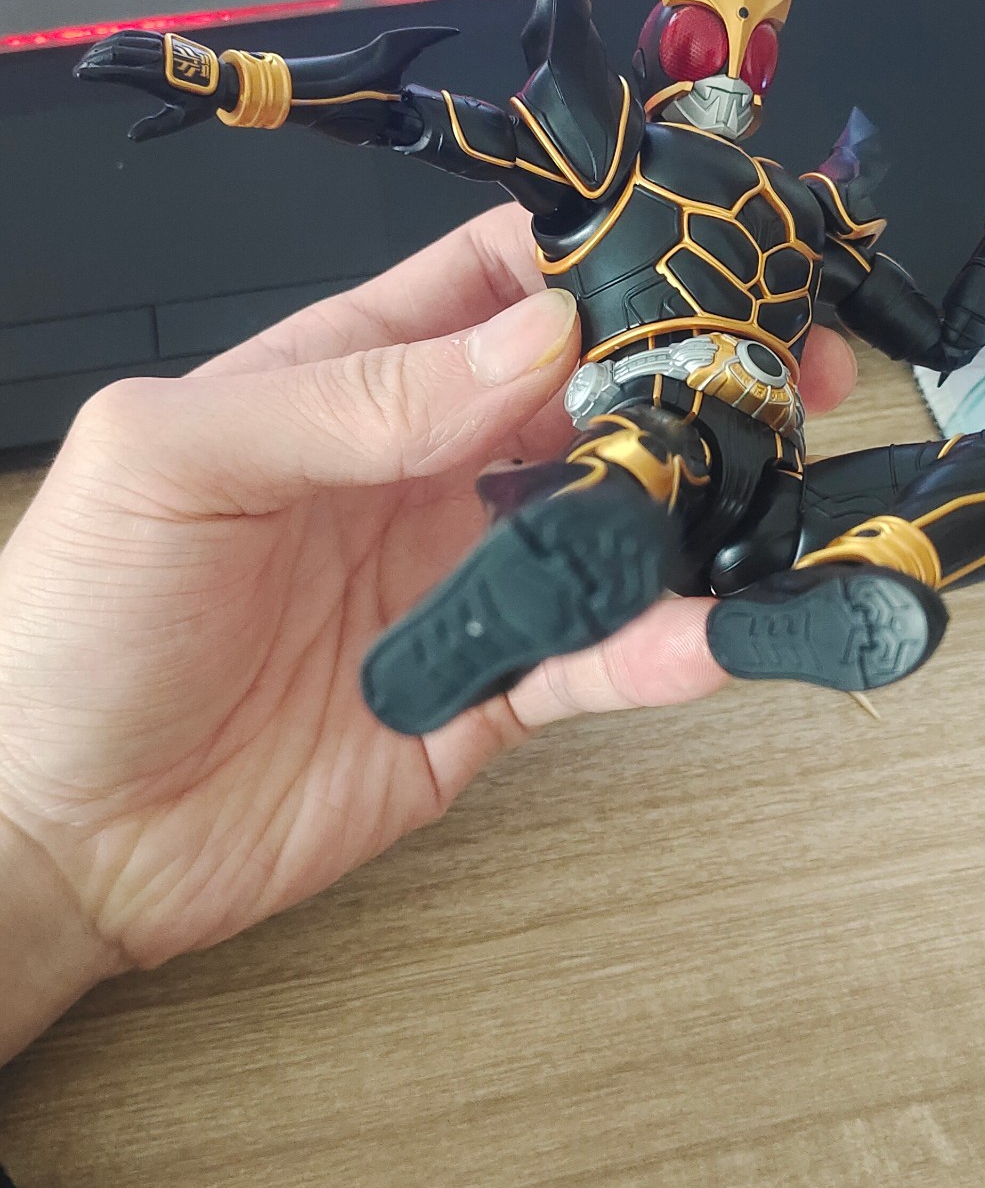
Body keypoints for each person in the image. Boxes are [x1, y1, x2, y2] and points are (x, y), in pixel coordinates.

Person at [0, 201, 858, 1073]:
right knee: (656, 454)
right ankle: (612, 523)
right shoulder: (733, 203)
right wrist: (39, 839)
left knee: (661, 464)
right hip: (680, 400)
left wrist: (45, 845)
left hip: (699, 409)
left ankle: (611, 520)